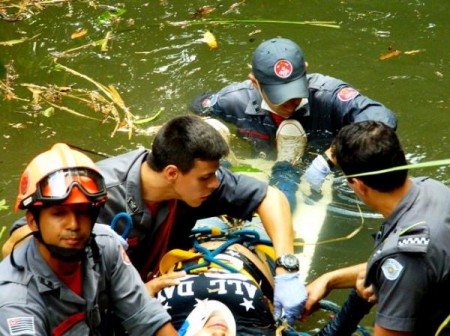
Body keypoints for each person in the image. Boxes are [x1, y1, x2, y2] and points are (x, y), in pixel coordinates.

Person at [3, 115, 306, 327]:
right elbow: (16, 245)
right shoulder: (98, 197)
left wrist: (286, 268)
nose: (214, 184)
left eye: (214, 175)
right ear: (172, 173)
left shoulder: (196, 186)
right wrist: (100, 250)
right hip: (128, 295)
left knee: (280, 196)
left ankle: (286, 166)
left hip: (158, 276)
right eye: (206, 176)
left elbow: (270, 198)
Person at [0, 143, 177, 335]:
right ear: (33, 221)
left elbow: (147, 319)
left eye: (83, 212)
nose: (74, 225)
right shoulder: (16, 300)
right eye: (59, 213)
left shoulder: (104, 245)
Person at [189, 37, 397, 194]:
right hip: (257, 170)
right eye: (279, 95)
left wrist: (331, 156)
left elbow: (381, 119)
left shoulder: (328, 95)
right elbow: (198, 105)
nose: (290, 103)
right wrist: (210, 128)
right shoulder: (234, 100)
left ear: (305, 70)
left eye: (295, 90)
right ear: (255, 82)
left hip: (318, 180)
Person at [302, 121, 450, 335]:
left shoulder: (404, 256)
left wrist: (356, 306)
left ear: (359, 185)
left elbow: (404, 266)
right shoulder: (433, 189)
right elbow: (409, 269)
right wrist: (329, 280)